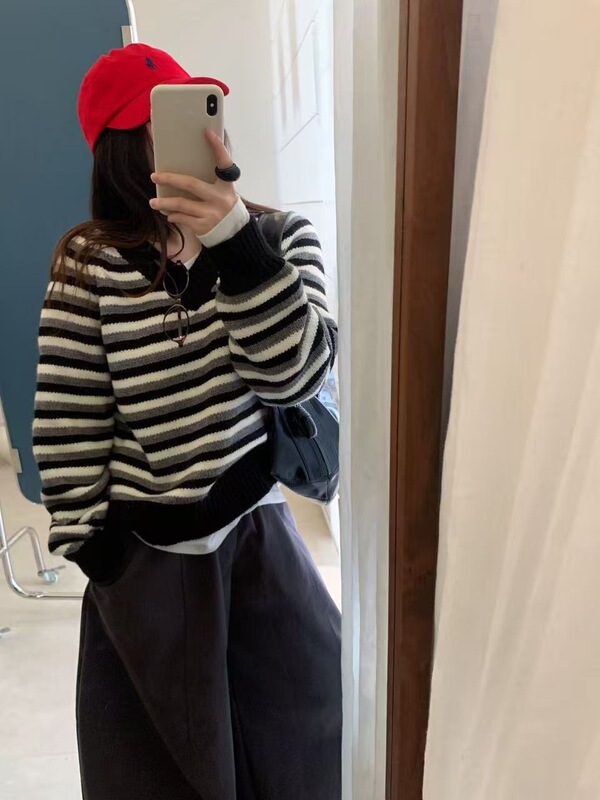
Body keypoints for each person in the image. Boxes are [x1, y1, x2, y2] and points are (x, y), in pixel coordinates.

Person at [33, 43, 341, 800]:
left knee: (303, 741)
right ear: (119, 151)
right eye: (156, 126)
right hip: (146, 558)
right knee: (164, 769)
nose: (196, 139)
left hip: (258, 537)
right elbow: (69, 422)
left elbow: (296, 377)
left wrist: (237, 245)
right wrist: (99, 552)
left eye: (200, 111)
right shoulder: (88, 266)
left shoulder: (280, 237)